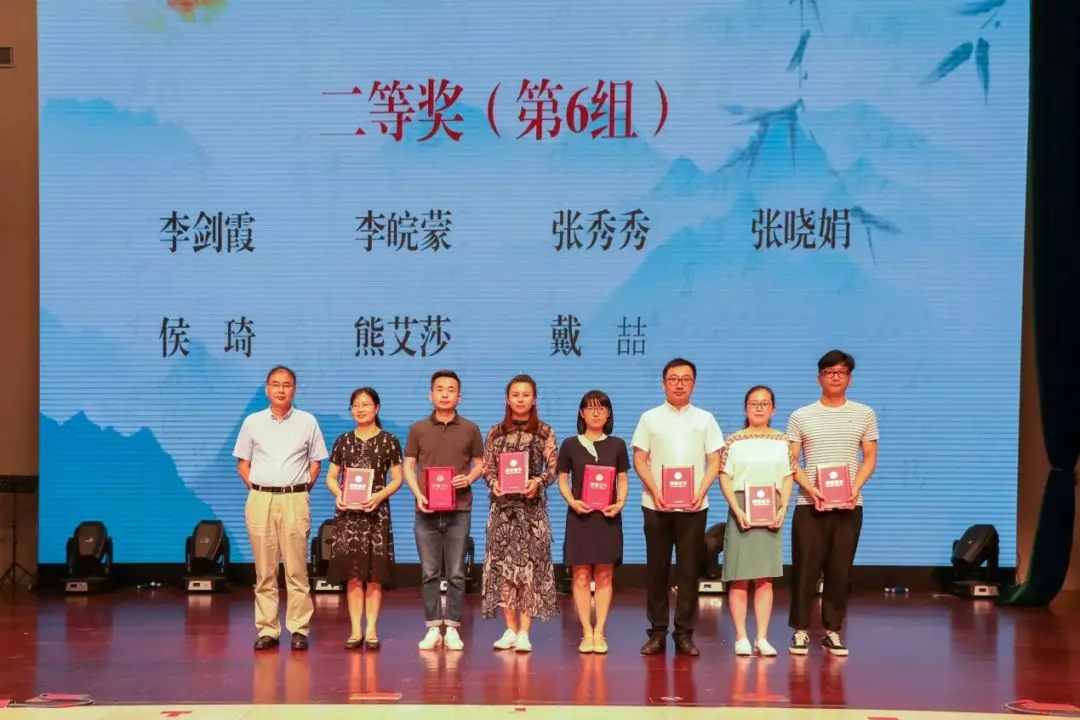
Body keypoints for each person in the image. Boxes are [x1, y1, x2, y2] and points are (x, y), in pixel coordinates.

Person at [787, 350, 879, 657]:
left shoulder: (865, 414)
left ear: (849, 378)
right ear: (819, 378)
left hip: (849, 504)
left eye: (841, 372)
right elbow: (792, 461)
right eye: (829, 372)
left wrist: (854, 487)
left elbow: (870, 457)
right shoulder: (800, 416)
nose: (835, 377)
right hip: (809, 504)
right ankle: (800, 631)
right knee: (805, 568)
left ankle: (833, 631)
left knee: (840, 570)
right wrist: (811, 489)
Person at [632, 358, 724, 656]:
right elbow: (639, 459)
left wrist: (700, 490)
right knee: (657, 570)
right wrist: (656, 490)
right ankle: (657, 631)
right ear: (664, 383)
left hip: (694, 506)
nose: (679, 384)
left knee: (688, 570)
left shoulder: (706, 419)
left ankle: (684, 632)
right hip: (655, 504)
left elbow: (715, 461)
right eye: (673, 379)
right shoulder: (649, 418)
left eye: (686, 379)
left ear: (694, 383)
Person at [233, 365, 328, 651]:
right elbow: (243, 464)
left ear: (294, 390)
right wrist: (260, 489)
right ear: (267, 389)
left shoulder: (307, 421)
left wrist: (299, 491)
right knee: (264, 570)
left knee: (296, 569)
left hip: (294, 499)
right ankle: (267, 629)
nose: (281, 390)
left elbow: (316, 463)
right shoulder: (252, 422)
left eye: (287, 385)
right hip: (260, 499)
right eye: (275, 384)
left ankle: (299, 628)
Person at [403, 370, 485, 651]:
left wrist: (469, 479)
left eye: (451, 390)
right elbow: (408, 466)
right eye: (440, 389)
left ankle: (452, 627)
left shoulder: (470, 428)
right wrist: (418, 494)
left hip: (459, 509)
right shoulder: (418, 429)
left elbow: (480, 463)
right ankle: (432, 628)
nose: (445, 394)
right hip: (425, 508)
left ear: (459, 396)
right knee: (429, 571)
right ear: (431, 395)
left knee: (457, 573)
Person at [712, 385, 793, 657]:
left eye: (764, 403)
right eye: (753, 403)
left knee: (764, 578)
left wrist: (783, 508)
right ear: (746, 408)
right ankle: (741, 636)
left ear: (773, 409)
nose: (759, 407)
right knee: (738, 577)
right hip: (741, 508)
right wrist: (736, 509)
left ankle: (762, 637)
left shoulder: (783, 441)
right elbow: (725, 476)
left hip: (771, 508)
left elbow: (788, 477)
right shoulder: (733, 441)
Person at [481, 374, 559, 653]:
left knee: (529, 572)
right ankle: (510, 630)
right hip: (502, 512)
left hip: (531, 511)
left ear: (534, 399)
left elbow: (553, 468)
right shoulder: (495, 432)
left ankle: (525, 632)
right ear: (508, 398)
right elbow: (487, 467)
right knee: (503, 571)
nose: (521, 399)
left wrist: (538, 481)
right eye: (515, 395)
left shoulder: (545, 432)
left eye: (526, 395)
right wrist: (494, 482)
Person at [324, 387, 404, 650]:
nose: (360, 409)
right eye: (356, 405)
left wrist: (379, 496)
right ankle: (355, 630)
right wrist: (339, 495)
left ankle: (371, 630)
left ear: (376, 408)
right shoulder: (342, 441)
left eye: (365, 404)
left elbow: (398, 479)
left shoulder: (389, 441)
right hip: (348, 515)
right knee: (353, 574)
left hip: (376, 513)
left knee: (374, 574)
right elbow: (331, 477)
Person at [557, 390, 630, 654]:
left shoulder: (617, 445)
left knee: (604, 574)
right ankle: (586, 632)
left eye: (601, 408)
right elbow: (562, 480)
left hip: (608, 517)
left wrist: (620, 502)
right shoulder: (570, 445)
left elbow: (622, 479)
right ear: (582, 413)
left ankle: (600, 632)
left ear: (608, 413)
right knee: (580, 576)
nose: (596, 413)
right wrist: (572, 501)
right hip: (580, 517)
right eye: (590, 408)